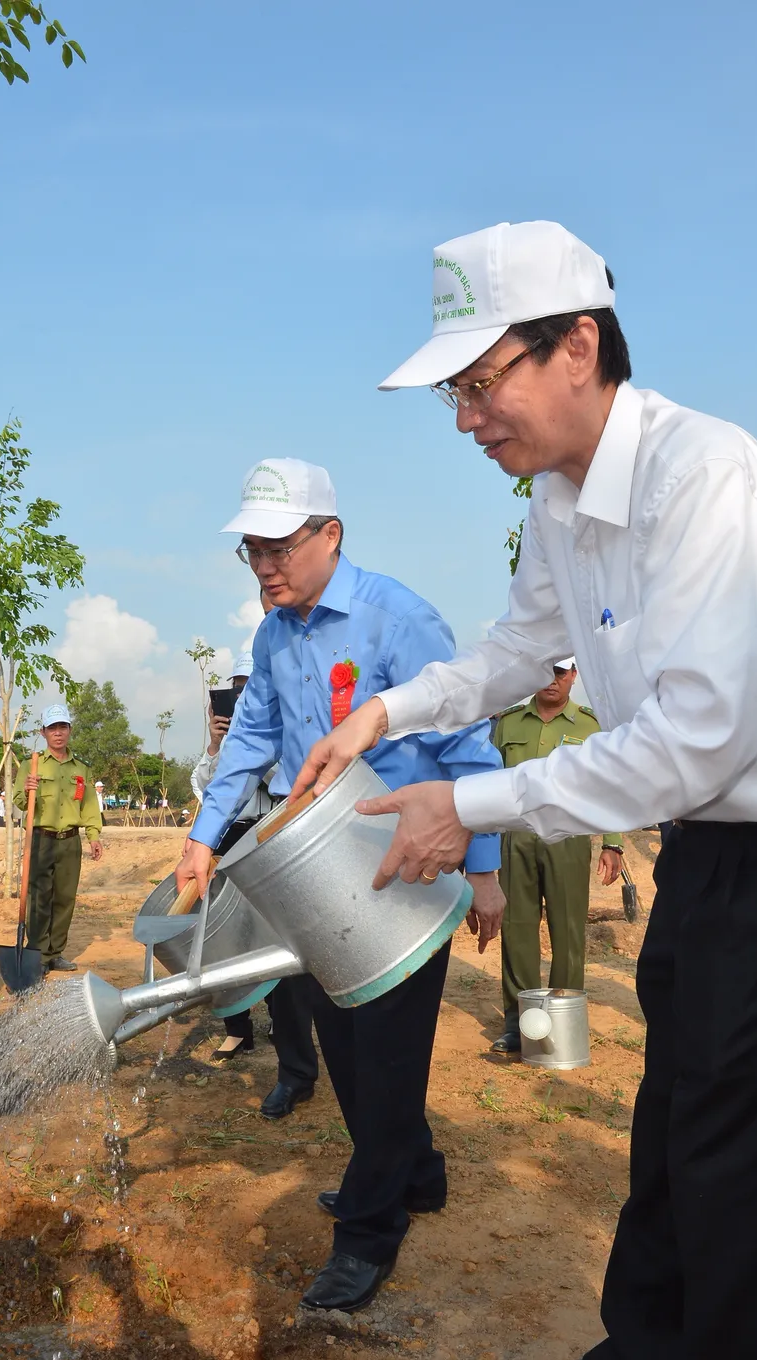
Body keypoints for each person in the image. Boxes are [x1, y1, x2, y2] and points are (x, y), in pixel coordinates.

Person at [290, 221, 757, 1360]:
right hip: (704, 855)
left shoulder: (702, 474)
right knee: (669, 1122)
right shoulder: (556, 504)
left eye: (479, 380)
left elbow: (698, 737)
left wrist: (471, 803)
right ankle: (654, 1359)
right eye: (454, 390)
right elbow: (511, 652)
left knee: (737, 1164)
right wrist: (381, 715)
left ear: (578, 345)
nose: (464, 417)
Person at [175, 457, 505, 1314]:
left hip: (405, 862)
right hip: (312, 869)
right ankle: (416, 1174)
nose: (265, 567)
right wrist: (202, 839)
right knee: (343, 1039)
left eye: (280, 546)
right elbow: (250, 739)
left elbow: (466, 737)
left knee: (384, 1058)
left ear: (331, 535)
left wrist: (486, 868)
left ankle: (368, 1231)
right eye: (251, 551)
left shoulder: (398, 618)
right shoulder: (273, 637)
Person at [491, 658, 623, 1054]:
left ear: (574, 676)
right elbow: (488, 779)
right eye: (548, 670)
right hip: (517, 837)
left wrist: (613, 842)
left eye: (562, 672)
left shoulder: (590, 725)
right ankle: (520, 1022)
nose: (554, 679)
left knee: (567, 932)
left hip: (568, 839)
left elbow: (608, 785)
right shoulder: (508, 724)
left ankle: (565, 1018)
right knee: (516, 928)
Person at [190, 651, 278, 1059]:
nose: (241, 696)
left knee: (276, 928)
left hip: (268, 833)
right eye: (235, 689)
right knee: (226, 933)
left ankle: (282, 1018)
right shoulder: (222, 740)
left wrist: (254, 750)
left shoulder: (277, 727)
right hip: (226, 838)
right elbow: (206, 787)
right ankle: (237, 1028)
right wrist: (218, 744)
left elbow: (278, 778)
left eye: (248, 689)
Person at [14, 704, 103, 973]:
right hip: (41, 840)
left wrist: (93, 835)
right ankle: (38, 954)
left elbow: (88, 805)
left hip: (69, 842)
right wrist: (27, 790)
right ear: (43, 732)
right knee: (40, 897)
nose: (58, 733)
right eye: (52, 728)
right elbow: (19, 801)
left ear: (69, 730)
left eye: (62, 727)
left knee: (65, 898)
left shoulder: (81, 769)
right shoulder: (32, 764)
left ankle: (55, 953)